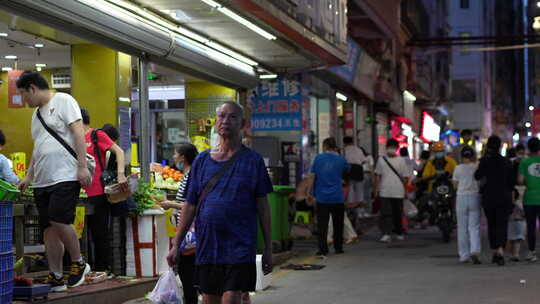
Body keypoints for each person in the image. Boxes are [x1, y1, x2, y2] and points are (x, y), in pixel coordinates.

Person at [166, 102, 273, 304]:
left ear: (243, 124)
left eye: (232, 117)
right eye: (222, 116)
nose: (226, 121)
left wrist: (268, 248)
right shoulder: (202, 161)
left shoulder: (253, 161)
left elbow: (263, 207)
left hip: (240, 247)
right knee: (209, 299)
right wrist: (176, 245)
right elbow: (190, 205)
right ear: (216, 123)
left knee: (231, 297)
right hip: (208, 246)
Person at [16, 71, 92, 291]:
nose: (24, 101)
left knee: (60, 219)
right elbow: (38, 147)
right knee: (49, 228)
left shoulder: (64, 101)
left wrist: (82, 167)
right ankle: (56, 275)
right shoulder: (36, 116)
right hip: (43, 179)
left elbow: (78, 134)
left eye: (23, 95)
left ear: (32, 88)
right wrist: (29, 176)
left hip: (65, 175)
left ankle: (78, 262)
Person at [80, 109, 127, 273]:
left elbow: (119, 152)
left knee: (99, 233)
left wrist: (121, 174)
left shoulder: (96, 135)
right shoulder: (71, 138)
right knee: (77, 234)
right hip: (76, 195)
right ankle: (82, 268)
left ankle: (102, 268)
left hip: (97, 193)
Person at [161, 143, 199, 304]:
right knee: (186, 274)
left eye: (176, 153)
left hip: (189, 234)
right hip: (184, 231)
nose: (174, 157)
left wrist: (171, 205)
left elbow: (191, 205)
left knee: (187, 274)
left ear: (183, 157)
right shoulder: (187, 175)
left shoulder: (191, 176)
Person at [475, 135, 514, 266]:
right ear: (500, 146)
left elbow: (477, 176)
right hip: (504, 196)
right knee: (502, 224)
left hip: (489, 196)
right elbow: (511, 182)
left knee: (492, 224)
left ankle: (494, 251)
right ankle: (501, 251)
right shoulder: (507, 162)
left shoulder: (485, 161)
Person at [307, 137, 350, 257]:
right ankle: (338, 247)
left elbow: (312, 177)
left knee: (322, 225)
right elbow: (347, 174)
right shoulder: (341, 160)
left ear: (325, 146)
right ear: (335, 146)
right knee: (338, 224)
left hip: (321, 197)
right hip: (337, 196)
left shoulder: (319, 158)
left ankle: (323, 249)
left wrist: (309, 193)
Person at [374, 139, 411, 243]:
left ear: (397, 149)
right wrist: (376, 189)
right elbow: (378, 176)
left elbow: (405, 177)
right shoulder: (381, 160)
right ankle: (386, 233)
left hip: (398, 191)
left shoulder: (401, 160)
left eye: (393, 147)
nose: (391, 149)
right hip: (384, 190)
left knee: (397, 213)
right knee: (385, 213)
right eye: (390, 147)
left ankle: (399, 232)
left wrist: (405, 190)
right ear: (386, 148)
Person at [452, 146, 481, 264]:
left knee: (462, 228)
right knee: (474, 227)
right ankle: (475, 250)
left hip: (461, 197)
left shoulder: (457, 168)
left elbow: (454, 185)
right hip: (474, 196)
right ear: (472, 156)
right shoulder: (477, 167)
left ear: (462, 156)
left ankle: (464, 255)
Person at [518, 137, 540, 262]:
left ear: (528, 148)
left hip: (530, 199)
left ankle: (532, 253)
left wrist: (529, 181)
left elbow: (520, 180)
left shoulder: (524, 162)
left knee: (531, 226)